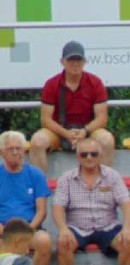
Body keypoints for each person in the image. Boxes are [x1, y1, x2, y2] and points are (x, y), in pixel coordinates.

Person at [29, 40, 115, 175]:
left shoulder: (95, 83)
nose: (75, 64)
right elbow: (46, 119)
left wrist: (84, 131)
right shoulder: (52, 84)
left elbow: (102, 118)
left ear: (85, 61)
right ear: (62, 62)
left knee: (107, 140)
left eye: (78, 60)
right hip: (58, 131)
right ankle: (40, 191)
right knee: (37, 141)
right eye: (71, 60)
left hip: (88, 130)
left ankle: (104, 188)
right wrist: (66, 134)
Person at [52, 138, 130, 265]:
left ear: (100, 155)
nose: (89, 157)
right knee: (64, 244)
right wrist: (63, 229)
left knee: (128, 242)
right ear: (78, 157)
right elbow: (57, 207)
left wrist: (127, 229)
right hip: (77, 228)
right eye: (84, 154)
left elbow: (126, 203)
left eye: (94, 154)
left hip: (108, 227)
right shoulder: (66, 178)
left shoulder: (113, 176)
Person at [0, 131, 52, 265]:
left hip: (30, 228)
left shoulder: (36, 174)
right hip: (2, 230)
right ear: (1, 152)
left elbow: (42, 211)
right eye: (10, 149)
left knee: (44, 241)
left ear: (24, 151)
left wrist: (27, 230)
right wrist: (5, 232)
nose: (15, 152)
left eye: (19, 148)